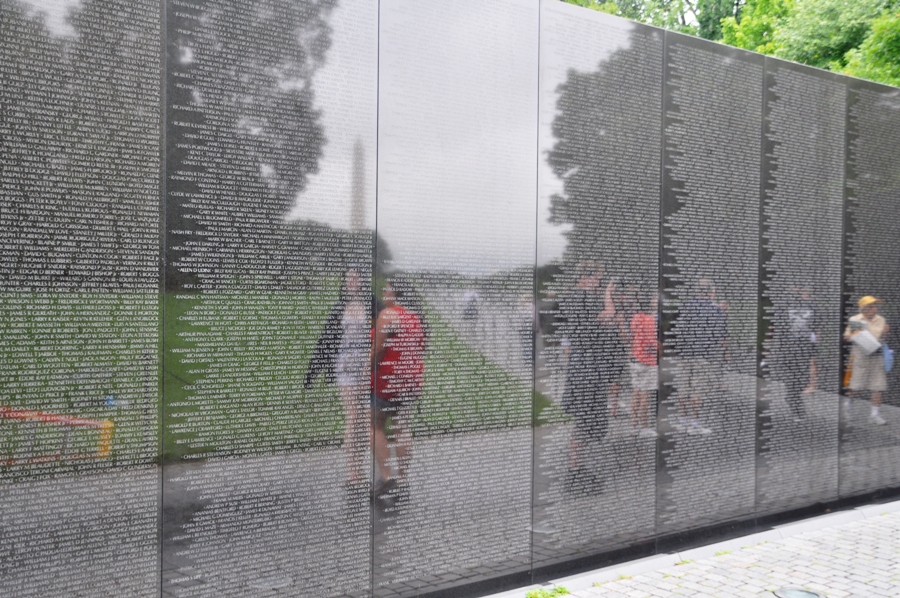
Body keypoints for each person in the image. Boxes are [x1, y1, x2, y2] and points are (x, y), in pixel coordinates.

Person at [304, 267, 372, 487]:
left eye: (356, 277)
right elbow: (325, 340)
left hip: (367, 364)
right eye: (349, 277)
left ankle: (360, 468)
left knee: (364, 420)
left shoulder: (372, 305)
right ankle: (352, 471)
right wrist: (312, 373)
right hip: (345, 364)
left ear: (362, 280)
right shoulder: (339, 308)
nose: (352, 281)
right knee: (353, 416)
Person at [371, 275, 427, 500]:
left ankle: (386, 477)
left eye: (387, 290)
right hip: (411, 381)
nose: (384, 294)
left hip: (388, 380)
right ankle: (402, 478)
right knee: (402, 427)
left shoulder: (388, 314)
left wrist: (368, 369)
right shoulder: (415, 317)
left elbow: (377, 350)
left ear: (396, 293)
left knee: (375, 425)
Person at [559, 262, 612, 490]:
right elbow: (609, 315)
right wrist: (608, 294)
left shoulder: (573, 298)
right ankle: (575, 471)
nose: (598, 283)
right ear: (583, 278)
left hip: (581, 365)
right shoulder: (585, 298)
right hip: (587, 367)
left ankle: (576, 469)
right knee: (584, 420)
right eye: (596, 279)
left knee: (584, 420)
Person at [676, 278, 727, 435]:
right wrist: (726, 353)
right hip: (704, 355)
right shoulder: (716, 309)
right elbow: (722, 336)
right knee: (697, 390)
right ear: (711, 292)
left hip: (686, 354)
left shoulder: (688, 305)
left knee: (684, 387)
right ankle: (694, 424)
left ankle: (682, 421)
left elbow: (680, 329)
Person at [844, 295, 889, 425]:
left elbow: (882, 338)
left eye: (875, 306)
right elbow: (846, 337)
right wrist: (854, 335)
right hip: (860, 355)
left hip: (876, 355)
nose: (875, 308)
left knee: (878, 385)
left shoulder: (880, 319)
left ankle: (874, 414)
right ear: (864, 308)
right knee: (856, 385)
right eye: (872, 306)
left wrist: (886, 332)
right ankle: (848, 404)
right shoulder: (855, 319)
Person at [629, 292, 659, 437]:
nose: (656, 301)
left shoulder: (635, 317)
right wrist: (660, 349)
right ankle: (645, 427)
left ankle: (634, 426)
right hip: (647, 361)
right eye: (653, 299)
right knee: (645, 395)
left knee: (636, 392)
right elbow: (651, 343)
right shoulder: (650, 320)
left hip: (635, 359)